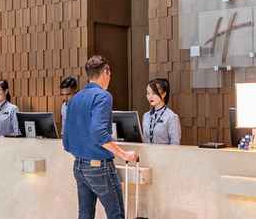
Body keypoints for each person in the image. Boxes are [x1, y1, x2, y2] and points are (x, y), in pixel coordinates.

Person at [63, 55, 138, 219]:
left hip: (78, 166)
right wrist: (124, 154)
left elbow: (66, 142)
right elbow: (99, 132)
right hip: (99, 166)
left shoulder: (74, 99)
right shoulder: (103, 96)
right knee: (116, 215)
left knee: (85, 215)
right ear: (106, 72)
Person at [141, 78, 182, 145]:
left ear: (163, 94)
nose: (150, 97)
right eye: (148, 93)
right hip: (147, 154)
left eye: (154, 93)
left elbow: (175, 144)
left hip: (165, 154)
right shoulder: (146, 116)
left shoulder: (172, 117)